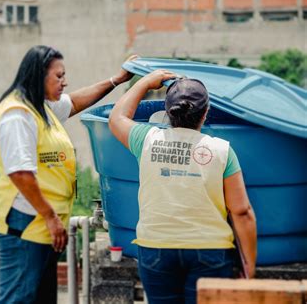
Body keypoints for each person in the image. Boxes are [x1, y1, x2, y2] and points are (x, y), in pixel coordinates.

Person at [0, 45, 134, 303]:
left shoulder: (41, 107)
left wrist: (116, 80)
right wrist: (51, 217)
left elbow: (76, 101)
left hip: (42, 223)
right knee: (18, 298)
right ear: (37, 75)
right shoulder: (17, 115)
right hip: (25, 222)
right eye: (58, 76)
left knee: (41, 297)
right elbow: (20, 174)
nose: (64, 82)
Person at [108, 69, 257, 304]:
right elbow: (241, 212)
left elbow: (116, 118)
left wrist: (145, 82)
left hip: (155, 248)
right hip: (210, 251)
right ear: (205, 113)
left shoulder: (147, 140)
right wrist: (249, 268)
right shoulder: (222, 151)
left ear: (167, 112)